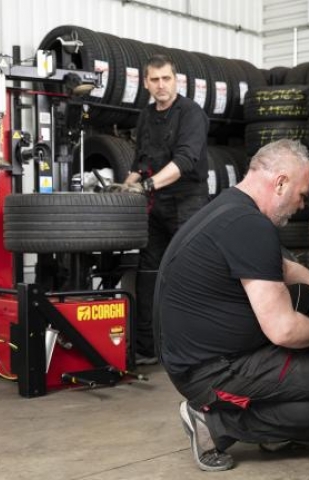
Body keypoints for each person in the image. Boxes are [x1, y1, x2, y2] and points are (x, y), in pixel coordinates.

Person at [154, 139, 309, 471]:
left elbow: (285, 270)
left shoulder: (230, 208)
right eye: (302, 195)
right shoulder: (251, 227)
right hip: (210, 373)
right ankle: (214, 425)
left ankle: (278, 423)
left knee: (306, 298)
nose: (302, 205)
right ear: (281, 183)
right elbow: (283, 330)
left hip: (200, 352)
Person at [124, 54, 210, 365]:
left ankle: (197, 349)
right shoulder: (146, 116)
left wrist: (147, 185)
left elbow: (185, 161)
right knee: (148, 273)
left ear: (176, 80)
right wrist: (123, 188)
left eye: (166, 79)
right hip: (156, 205)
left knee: (189, 272)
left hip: (188, 202)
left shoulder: (191, 114)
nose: (161, 85)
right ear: (145, 83)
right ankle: (148, 348)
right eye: (155, 80)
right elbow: (140, 162)